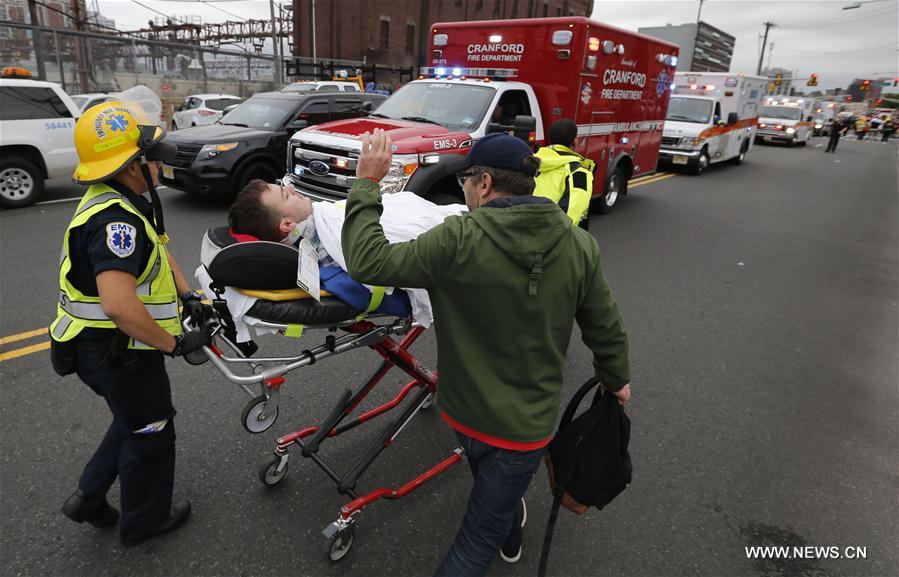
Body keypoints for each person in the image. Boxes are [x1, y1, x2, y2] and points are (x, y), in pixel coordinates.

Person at [341, 129, 631, 576]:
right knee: (492, 507)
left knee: (475, 540)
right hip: (524, 430)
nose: (465, 191)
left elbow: (368, 261)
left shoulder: (457, 237)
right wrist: (615, 379)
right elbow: (604, 326)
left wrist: (367, 184)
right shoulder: (578, 245)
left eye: (465, 182)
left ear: (484, 183)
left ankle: (505, 528)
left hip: (464, 412)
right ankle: (507, 530)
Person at [50, 93, 212, 547]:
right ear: (129, 166)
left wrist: (190, 295)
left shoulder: (122, 201)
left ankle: (88, 496)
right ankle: (143, 523)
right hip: (118, 352)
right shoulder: (114, 226)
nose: (158, 166)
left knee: (132, 417)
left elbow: (159, 249)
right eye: (151, 160)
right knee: (151, 432)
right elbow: (119, 305)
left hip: (100, 350)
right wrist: (172, 343)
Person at [534, 119, 594, 230]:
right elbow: (572, 214)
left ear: (550, 140)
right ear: (575, 141)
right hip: (554, 238)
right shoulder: (579, 173)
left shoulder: (532, 163)